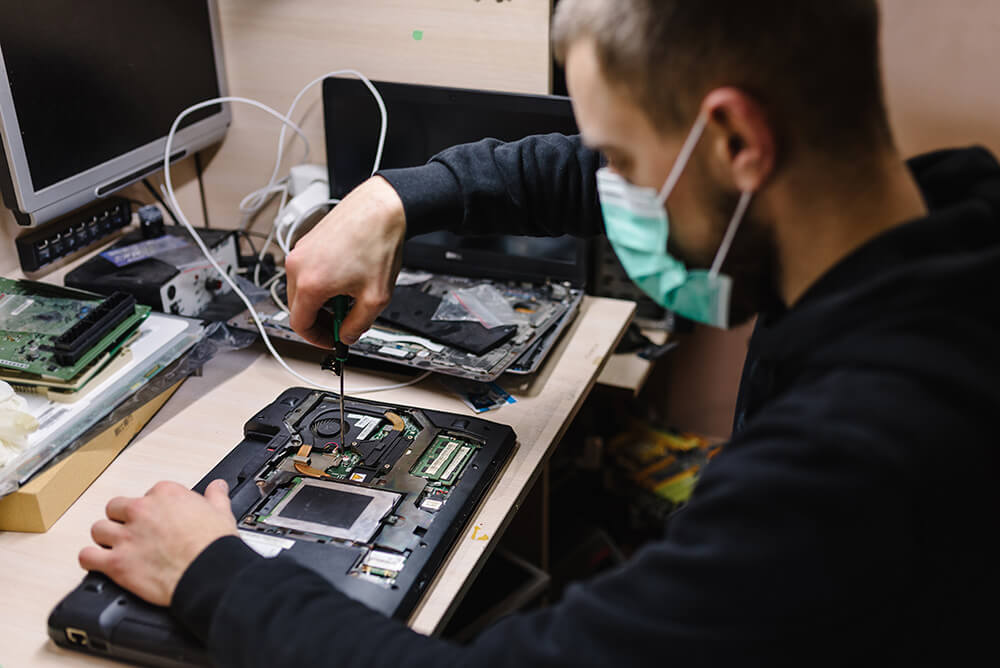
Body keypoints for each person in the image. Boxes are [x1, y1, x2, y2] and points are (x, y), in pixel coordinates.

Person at [80, 1, 1000, 665]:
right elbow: (567, 168)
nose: (612, 188)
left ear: (736, 143)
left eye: (629, 163)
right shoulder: (945, 218)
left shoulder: (862, 455)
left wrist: (215, 575)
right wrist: (394, 197)